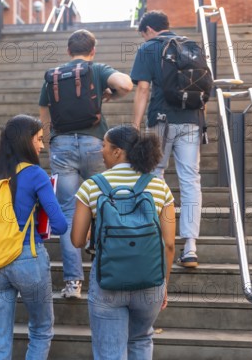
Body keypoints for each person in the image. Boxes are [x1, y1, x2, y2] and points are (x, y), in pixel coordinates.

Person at [39, 29, 133, 298]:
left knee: (68, 213)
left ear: (68, 51)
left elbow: (44, 112)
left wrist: (50, 140)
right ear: (93, 51)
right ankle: (108, 271)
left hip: (62, 146)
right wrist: (110, 96)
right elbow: (126, 84)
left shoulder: (53, 75)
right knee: (103, 204)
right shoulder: (96, 69)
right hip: (95, 145)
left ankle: (73, 283)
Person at [71, 125, 176, 360]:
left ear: (118, 151)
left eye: (105, 146)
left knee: (110, 353)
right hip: (150, 282)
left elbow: (77, 240)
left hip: (108, 280)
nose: (101, 151)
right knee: (140, 339)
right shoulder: (159, 186)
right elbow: (169, 244)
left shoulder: (91, 185)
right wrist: (164, 283)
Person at [0, 114, 67, 359]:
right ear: (25, 141)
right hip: (27, 258)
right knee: (40, 330)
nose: (41, 145)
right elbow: (60, 225)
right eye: (38, 139)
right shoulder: (36, 174)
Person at [131, 10, 203, 268]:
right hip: (192, 120)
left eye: (142, 35)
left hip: (161, 119)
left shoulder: (149, 48)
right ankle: (191, 246)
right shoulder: (191, 44)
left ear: (148, 30)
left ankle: (160, 240)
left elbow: (142, 88)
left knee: (155, 175)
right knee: (190, 180)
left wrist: (135, 125)